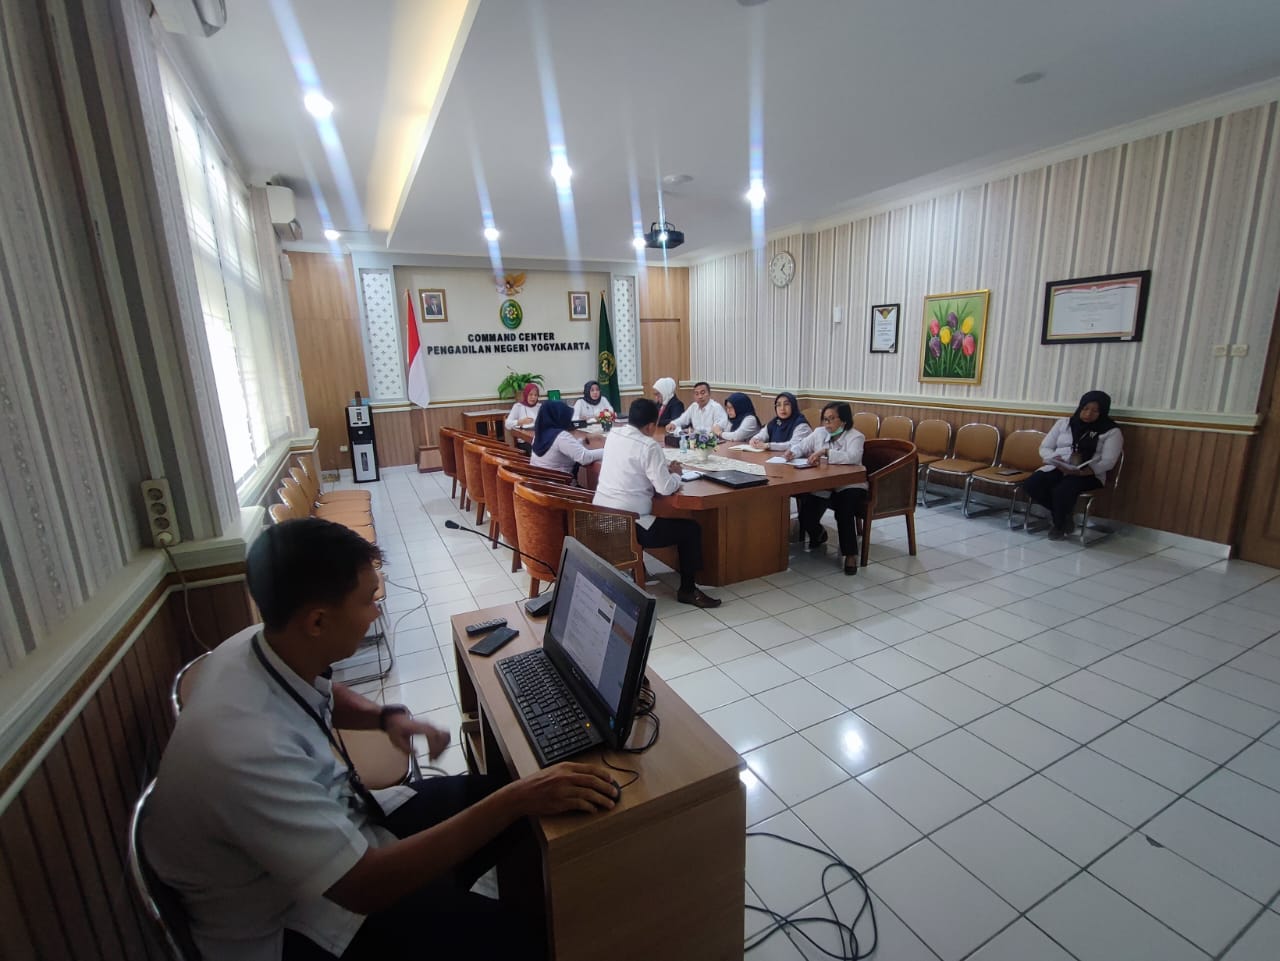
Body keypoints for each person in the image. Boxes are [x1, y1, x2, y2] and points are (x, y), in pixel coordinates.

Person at [143, 518, 619, 961]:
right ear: (316, 622)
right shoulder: (246, 751)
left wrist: (386, 716)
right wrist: (516, 799)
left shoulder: (252, 646)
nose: (377, 611)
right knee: (521, 936)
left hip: (335, 839)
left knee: (498, 798)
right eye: (369, 599)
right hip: (295, 925)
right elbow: (362, 887)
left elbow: (325, 691)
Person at [593, 399, 721, 609]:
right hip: (630, 525)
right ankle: (688, 590)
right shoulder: (649, 445)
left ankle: (639, 568)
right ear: (651, 426)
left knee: (671, 522)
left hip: (601, 516)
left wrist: (662, 469)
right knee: (690, 530)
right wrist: (677, 475)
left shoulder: (614, 434)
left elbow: (631, 468)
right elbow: (665, 488)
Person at [1024, 390, 1124, 540]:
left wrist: (1087, 471)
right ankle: (1064, 515)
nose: (1089, 414)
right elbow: (1045, 447)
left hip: (1089, 473)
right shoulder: (1064, 423)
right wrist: (1054, 458)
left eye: (1095, 411)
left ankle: (1059, 526)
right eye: (1086, 408)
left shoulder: (1111, 431)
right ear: (1080, 407)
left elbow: (1108, 461)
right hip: (1058, 467)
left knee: (1062, 490)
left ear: (1103, 412)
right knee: (1032, 484)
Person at [791, 403, 868, 576]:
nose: (827, 424)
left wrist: (826, 452)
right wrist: (792, 453)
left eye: (832, 419)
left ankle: (850, 555)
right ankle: (819, 534)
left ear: (844, 421)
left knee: (844, 511)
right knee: (806, 514)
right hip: (824, 483)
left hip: (849, 485)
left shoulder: (856, 437)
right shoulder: (819, 433)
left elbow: (853, 457)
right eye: (825, 419)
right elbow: (802, 446)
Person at [530, 400, 603, 475]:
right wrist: (608, 450)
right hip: (559, 483)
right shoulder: (560, 436)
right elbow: (585, 458)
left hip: (539, 481)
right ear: (559, 416)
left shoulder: (540, 433)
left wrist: (582, 441)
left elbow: (565, 447)